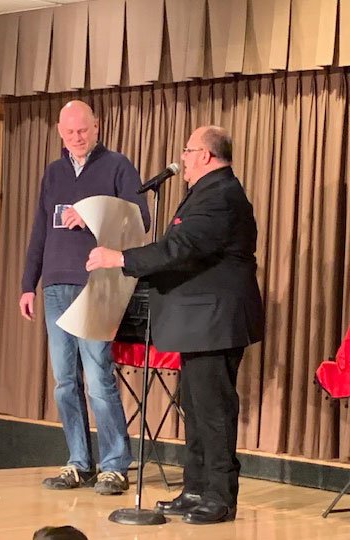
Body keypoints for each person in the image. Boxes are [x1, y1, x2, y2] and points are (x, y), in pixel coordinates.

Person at [86, 126, 264, 523]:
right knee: (196, 408)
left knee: (213, 409)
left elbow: (182, 248)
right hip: (199, 320)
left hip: (214, 319)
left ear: (205, 154)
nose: (182, 158)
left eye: (187, 150)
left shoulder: (220, 195)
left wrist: (121, 259)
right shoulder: (208, 190)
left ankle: (219, 497)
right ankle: (196, 488)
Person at [20, 100, 150, 495]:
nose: (77, 137)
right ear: (60, 131)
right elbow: (40, 230)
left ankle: (114, 465)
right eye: (70, 131)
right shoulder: (54, 172)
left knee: (97, 377)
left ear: (97, 127)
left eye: (84, 130)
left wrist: (92, 215)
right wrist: (29, 284)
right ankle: (79, 461)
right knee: (64, 381)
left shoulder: (117, 166)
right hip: (56, 285)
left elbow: (139, 218)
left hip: (98, 284)